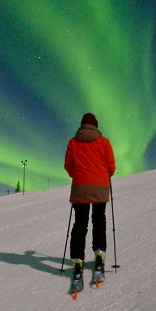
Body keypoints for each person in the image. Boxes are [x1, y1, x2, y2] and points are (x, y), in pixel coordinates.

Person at [64, 113, 116, 282]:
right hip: (100, 187)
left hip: (80, 187)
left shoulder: (73, 142)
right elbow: (111, 167)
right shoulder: (104, 142)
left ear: (82, 125)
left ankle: (78, 260)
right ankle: (99, 253)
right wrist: (103, 174)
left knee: (80, 223)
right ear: (95, 126)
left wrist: (78, 175)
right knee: (99, 219)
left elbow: (68, 166)